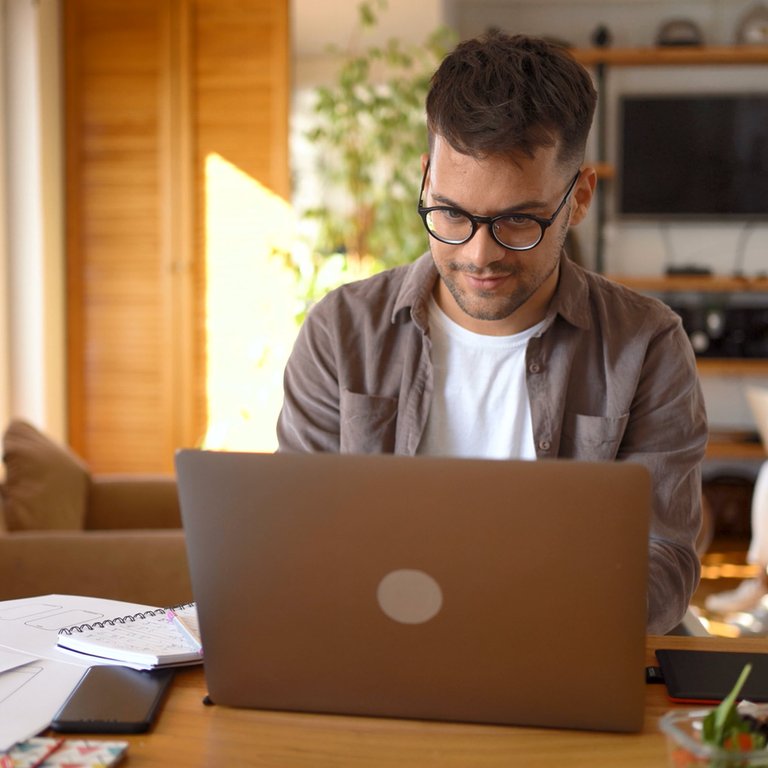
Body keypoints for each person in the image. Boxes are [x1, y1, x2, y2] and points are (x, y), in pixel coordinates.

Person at [278, 31, 708, 635]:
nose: (479, 254)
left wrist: (500, 619)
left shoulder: (647, 346)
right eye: (451, 212)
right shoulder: (341, 332)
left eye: (518, 220)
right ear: (426, 180)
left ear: (578, 197)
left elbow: (662, 562)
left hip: (559, 657)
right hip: (377, 652)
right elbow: (297, 538)